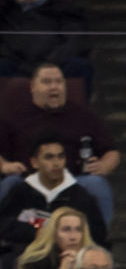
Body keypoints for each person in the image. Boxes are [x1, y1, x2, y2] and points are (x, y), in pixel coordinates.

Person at [0, 62, 119, 226]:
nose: (54, 87)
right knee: (8, 184)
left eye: (58, 82)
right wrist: (5, 166)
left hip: (73, 182)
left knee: (97, 184)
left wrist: (103, 165)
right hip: (27, 182)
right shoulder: (13, 116)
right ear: (33, 87)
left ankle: (96, 244)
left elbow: (112, 151)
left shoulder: (84, 115)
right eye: (47, 82)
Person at [0, 131, 106, 253]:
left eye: (60, 157)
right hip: (25, 256)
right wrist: (38, 232)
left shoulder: (80, 195)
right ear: (34, 162)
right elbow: (3, 224)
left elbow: (98, 233)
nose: (56, 164)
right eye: (49, 157)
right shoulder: (21, 191)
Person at [8, 203, 92, 269]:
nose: (73, 237)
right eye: (66, 230)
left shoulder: (94, 261)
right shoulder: (33, 264)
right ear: (53, 234)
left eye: (78, 230)